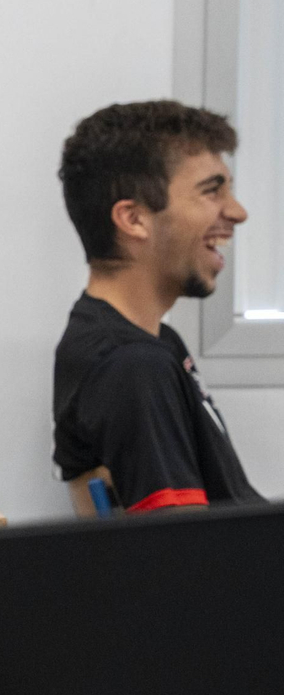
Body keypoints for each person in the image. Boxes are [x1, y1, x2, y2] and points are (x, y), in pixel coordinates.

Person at [53, 101, 264, 513]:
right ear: (133, 220)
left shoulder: (155, 343)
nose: (237, 212)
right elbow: (184, 562)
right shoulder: (131, 366)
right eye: (212, 191)